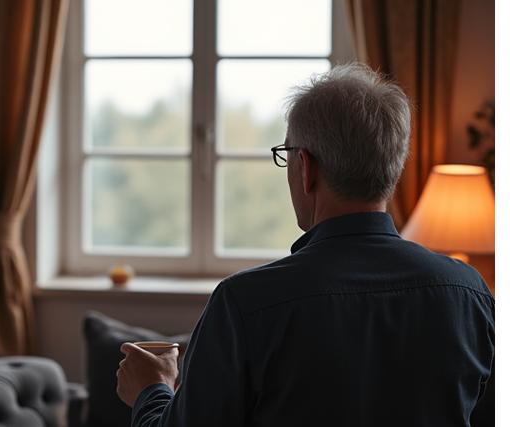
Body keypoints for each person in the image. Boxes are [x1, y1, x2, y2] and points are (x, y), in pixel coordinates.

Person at [115, 63, 495, 426]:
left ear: (306, 168)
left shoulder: (245, 303)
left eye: (286, 156)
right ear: (393, 169)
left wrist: (152, 389)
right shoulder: (470, 294)